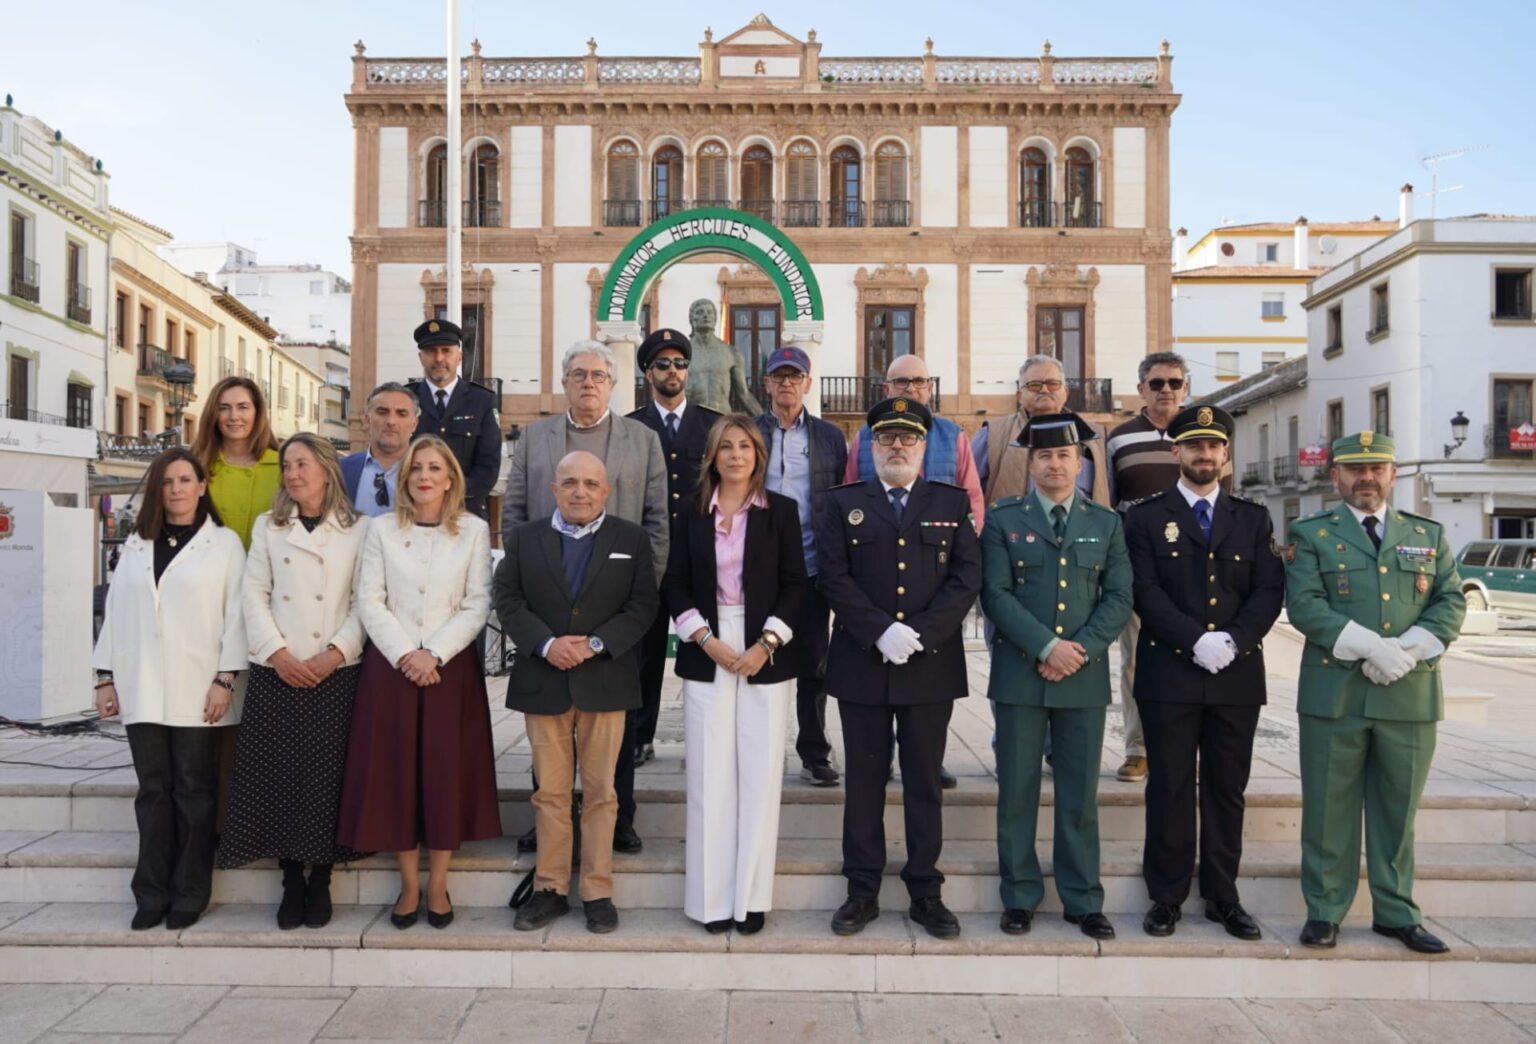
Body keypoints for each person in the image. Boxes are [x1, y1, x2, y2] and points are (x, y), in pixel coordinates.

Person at [1284, 432, 1466, 954]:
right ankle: (1324, 911)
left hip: (1407, 693)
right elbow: (1306, 605)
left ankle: (1396, 912)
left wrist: (1405, 652)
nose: (1366, 478)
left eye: (1377, 469)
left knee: (1397, 809)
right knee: (1327, 808)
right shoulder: (1311, 532)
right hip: (1335, 692)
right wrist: (1370, 648)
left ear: (1392, 474)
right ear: (1336, 476)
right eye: (1355, 469)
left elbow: (1451, 601)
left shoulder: (1426, 534)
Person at [816, 397, 982, 940]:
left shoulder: (950, 502)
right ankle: (861, 889)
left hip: (928, 664)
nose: (897, 446)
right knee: (863, 782)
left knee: (923, 783)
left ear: (922, 445)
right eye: (886, 438)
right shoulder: (843, 503)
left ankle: (925, 891)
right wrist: (879, 630)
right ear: (870, 446)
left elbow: (966, 577)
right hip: (863, 660)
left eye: (908, 438)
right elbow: (832, 576)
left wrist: (920, 634)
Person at [1122, 405, 1283, 941]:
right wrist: (1195, 639)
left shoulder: (1252, 518)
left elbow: (1267, 590)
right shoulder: (1144, 517)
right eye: (1194, 446)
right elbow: (1144, 589)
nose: (1205, 455)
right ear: (1177, 453)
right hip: (1170, 672)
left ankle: (1223, 896)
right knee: (1168, 785)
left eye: (1214, 447)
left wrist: (1233, 641)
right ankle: (1166, 897)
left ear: (1226, 455)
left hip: (1236, 675)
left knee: (1225, 788)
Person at [502, 340, 669, 854]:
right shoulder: (534, 439)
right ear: (565, 380)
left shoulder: (642, 440)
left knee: (616, 720)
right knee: (547, 722)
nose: (589, 382)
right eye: (578, 374)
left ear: (613, 384)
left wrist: (637, 598)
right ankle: (546, 822)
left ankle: (618, 818)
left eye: (599, 375)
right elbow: (513, 516)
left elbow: (657, 523)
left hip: (615, 614)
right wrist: (532, 595)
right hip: (546, 610)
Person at [338, 435, 501, 931]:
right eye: (415, 469)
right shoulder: (381, 530)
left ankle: (438, 883)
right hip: (391, 670)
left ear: (451, 478)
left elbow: (478, 602)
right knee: (397, 775)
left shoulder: (473, 531)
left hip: (450, 671)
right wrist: (408, 654)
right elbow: (369, 599)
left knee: (445, 773)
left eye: (434, 468)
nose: (425, 476)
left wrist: (435, 653)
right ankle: (409, 883)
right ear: (403, 479)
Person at [980, 413, 1132, 940]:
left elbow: (1118, 598)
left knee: (1078, 794)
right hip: (1020, 675)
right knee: (1017, 791)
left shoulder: (1106, 523)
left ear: (1080, 462)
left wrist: (1079, 651)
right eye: (1044, 455)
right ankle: (1019, 896)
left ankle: (1083, 898)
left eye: (1064, 455)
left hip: (1083, 679)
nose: (1054, 463)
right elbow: (994, 595)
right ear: (1031, 462)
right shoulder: (1002, 520)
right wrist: (1046, 646)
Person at [494, 452, 659, 935]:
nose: (580, 491)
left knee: (603, 793)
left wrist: (595, 643)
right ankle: (549, 888)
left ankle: (597, 890)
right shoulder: (524, 538)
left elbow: (643, 603)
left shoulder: (631, 539)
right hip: (543, 681)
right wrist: (546, 644)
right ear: (554, 489)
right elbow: (508, 598)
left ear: (606, 490)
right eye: (570, 482)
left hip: (605, 681)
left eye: (590, 483)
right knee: (550, 792)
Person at [218, 434, 370, 930]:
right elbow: (253, 595)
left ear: (327, 469)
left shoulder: (360, 529)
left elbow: (363, 602)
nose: (292, 474)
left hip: (335, 671)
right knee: (279, 775)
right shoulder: (269, 526)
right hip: (277, 670)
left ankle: (321, 877)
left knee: (326, 778)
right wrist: (278, 654)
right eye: (287, 466)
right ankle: (289, 879)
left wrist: (334, 654)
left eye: (303, 464)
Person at [92, 447, 247, 931]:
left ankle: (190, 891)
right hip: (143, 687)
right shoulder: (137, 545)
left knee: (196, 793)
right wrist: (104, 677)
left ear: (203, 486)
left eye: (185, 480)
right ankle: (151, 890)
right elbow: (116, 613)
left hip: (202, 688)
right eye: (167, 482)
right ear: (158, 490)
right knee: (153, 792)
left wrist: (225, 678)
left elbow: (237, 617)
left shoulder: (224, 546)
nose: (176, 489)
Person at [666, 416, 807, 935]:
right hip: (708, 645)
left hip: (763, 648)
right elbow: (675, 583)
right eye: (725, 446)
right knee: (709, 775)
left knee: (760, 774)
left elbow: (797, 584)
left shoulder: (781, 513)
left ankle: (750, 897)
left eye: (744, 445)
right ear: (713, 456)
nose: (735, 454)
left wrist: (765, 644)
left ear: (758, 454)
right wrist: (706, 640)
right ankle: (710, 902)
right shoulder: (691, 513)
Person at [844, 353, 982, 790]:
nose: (909, 388)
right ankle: (877, 759)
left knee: (926, 703)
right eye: (900, 382)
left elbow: (972, 503)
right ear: (887, 390)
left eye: (917, 381)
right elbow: (847, 496)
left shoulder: (952, 436)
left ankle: (926, 759)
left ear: (929, 388)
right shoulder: (865, 437)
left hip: (933, 591)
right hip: (873, 589)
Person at [626, 327, 723, 766]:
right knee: (643, 654)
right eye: (662, 364)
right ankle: (639, 736)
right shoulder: (630, 427)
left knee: (702, 650)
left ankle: (707, 738)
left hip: (697, 558)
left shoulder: (713, 424)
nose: (672, 371)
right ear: (648, 373)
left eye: (679, 364)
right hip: (645, 560)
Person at [753, 345, 848, 788]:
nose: (787, 383)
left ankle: (814, 752)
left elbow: (843, 500)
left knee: (815, 664)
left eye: (795, 376)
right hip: (759, 570)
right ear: (767, 383)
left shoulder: (830, 437)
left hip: (813, 568)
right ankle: (757, 751)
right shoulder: (749, 432)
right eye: (779, 376)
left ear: (808, 383)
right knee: (758, 660)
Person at [1103, 351, 1193, 783]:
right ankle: (1137, 748)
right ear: (1141, 389)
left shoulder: (1202, 436)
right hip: (1138, 568)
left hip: (1193, 570)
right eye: (1156, 383)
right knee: (1135, 661)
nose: (1166, 391)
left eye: (1174, 382)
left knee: (1191, 658)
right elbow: (1109, 506)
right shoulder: (1119, 440)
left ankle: (1182, 749)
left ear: (1186, 388)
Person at [974, 355, 1111, 507]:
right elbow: (970, 489)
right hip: (1015, 529)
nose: (1044, 390)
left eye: (1053, 384)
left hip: (1084, 528)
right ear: (1019, 395)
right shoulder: (992, 434)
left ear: (1066, 392)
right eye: (1034, 385)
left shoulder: (1096, 437)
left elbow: (1110, 491)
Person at [408, 318, 502, 521]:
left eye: (446, 351)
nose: (439, 358)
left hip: (466, 514)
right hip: (415, 514)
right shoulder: (407, 401)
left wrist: (448, 498)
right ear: (421, 357)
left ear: (459, 357)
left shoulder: (483, 401)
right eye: (431, 351)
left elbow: (488, 466)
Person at [194, 375, 281, 549]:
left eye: (243, 407)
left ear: (257, 412)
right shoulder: (197, 466)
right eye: (224, 408)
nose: (234, 416)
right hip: (211, 572)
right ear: (214, 414)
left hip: (265, 573)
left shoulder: (283, 467)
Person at [342, 382, 420, 517]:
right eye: (382, 412)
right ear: (367, 420)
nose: (391, 421)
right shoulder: (341, 470)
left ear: (414, 424)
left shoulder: (428, 473)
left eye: (401, 414)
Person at [685, 298, 761, 415]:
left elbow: (744, 394)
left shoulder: (731, 353)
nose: (705, 315)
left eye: (709, 312)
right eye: (700, 312)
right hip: (692, 419)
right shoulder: (682, 353)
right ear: (691, 319)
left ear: (715, 319)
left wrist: (764, 421)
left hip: (722, 419)